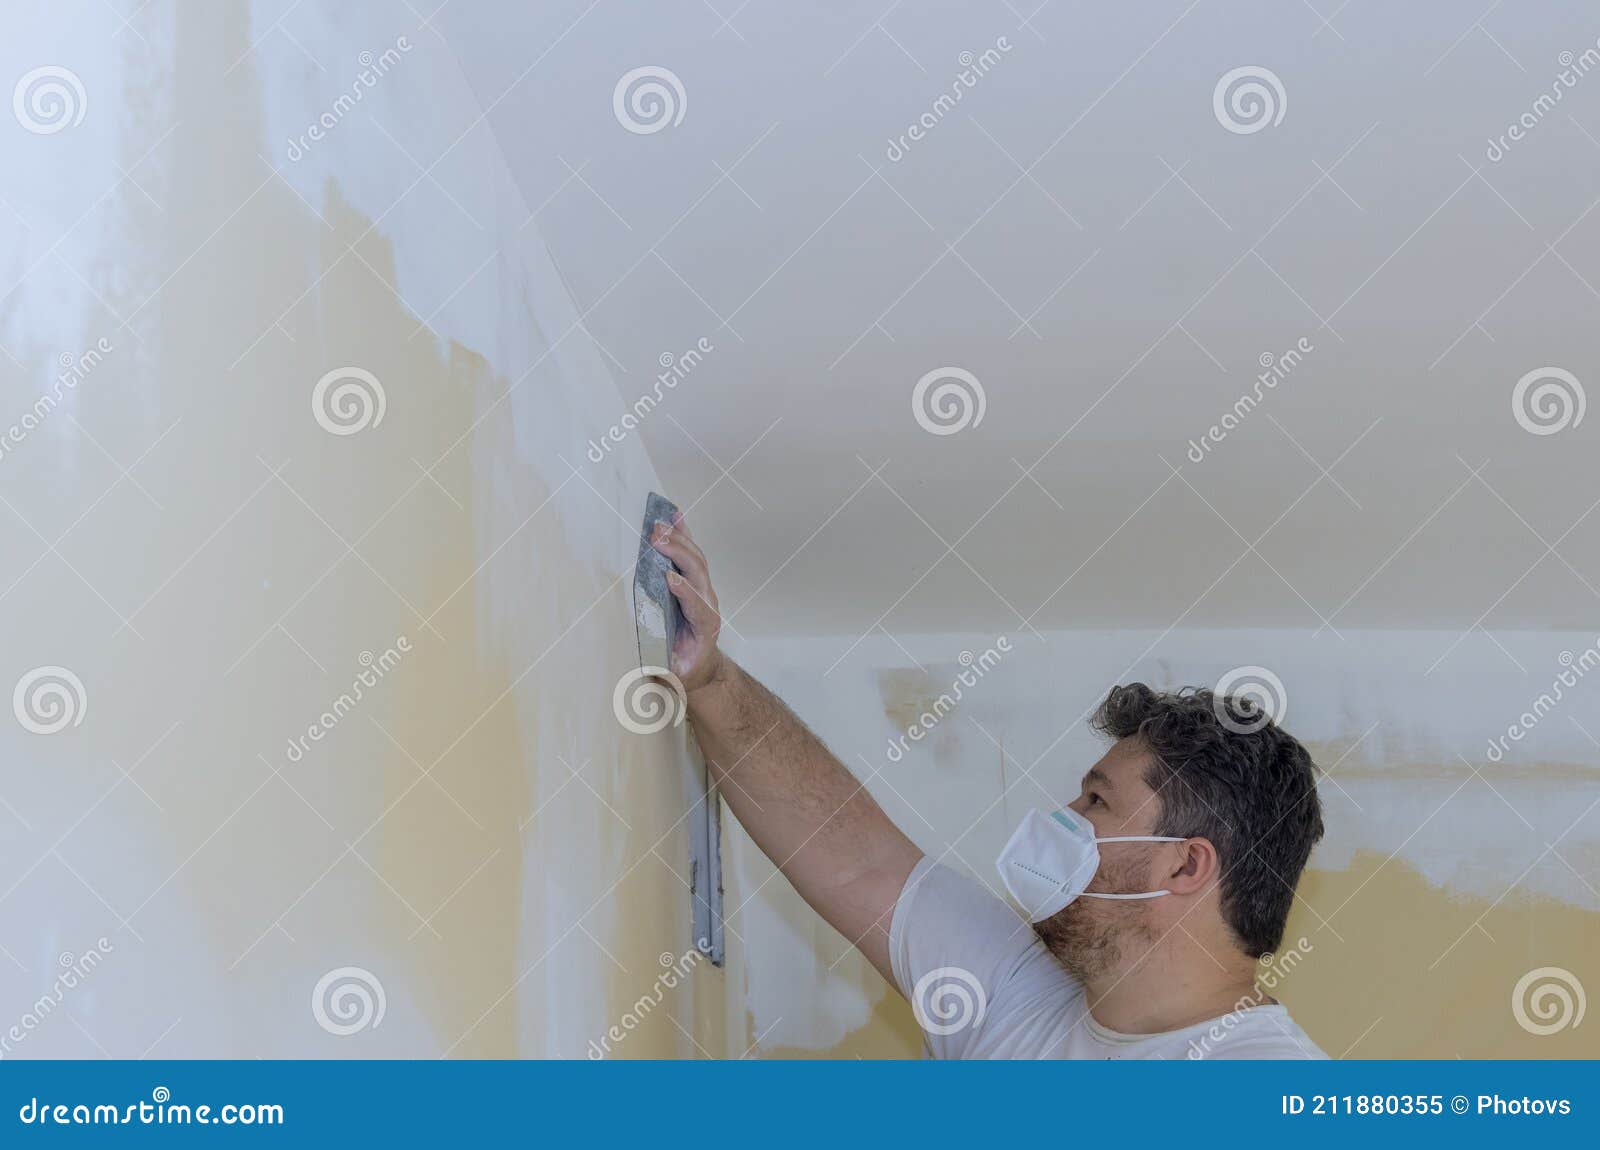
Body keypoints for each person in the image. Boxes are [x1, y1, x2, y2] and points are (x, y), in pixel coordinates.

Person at [651, 512, 1327, 1059]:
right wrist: (709, 679)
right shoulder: (1011, 994)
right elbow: (858, 860)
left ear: (1185, 862)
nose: (1063, 817)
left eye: (1097, 801)